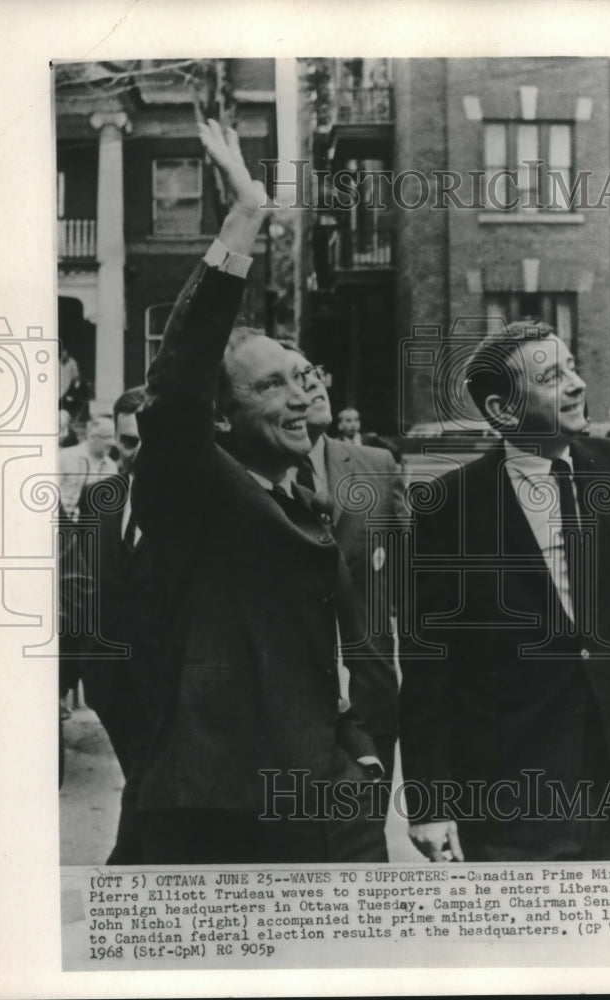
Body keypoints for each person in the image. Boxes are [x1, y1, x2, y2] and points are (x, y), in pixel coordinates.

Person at [131, 120, 384, 864]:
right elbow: (174, 386)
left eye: (302, 380)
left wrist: (359, 754)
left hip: (327, 809)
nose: (301, 398)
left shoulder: (302, 500)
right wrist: (244, 219)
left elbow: (316, 656)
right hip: (224, 813)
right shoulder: (195, 487)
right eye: (270, 386)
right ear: (222, 416)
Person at [399, 321, 610, 862]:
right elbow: (429, 662)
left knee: (609, 934)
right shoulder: (450, 505)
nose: (576, 384)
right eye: (550, 376)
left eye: (570, 366)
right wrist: (429, 799)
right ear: (500, 411)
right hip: (506, 785)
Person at [284, 348, 401, 780]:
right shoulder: (243, 479)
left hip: (371, 706)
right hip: (284, 714)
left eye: (312, 372)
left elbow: (412, 588)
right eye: (292, 377)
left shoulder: (378, 467)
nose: (312, 383)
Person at [75, 387, 162, 862]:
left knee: (148, 793)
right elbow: (80, 581)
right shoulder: (99, 498)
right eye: (128, 442)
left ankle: (123, 878)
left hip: (172, 688)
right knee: (142, 784)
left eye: (148, 440)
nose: (138, 453)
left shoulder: (197, 508)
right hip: (112, 685)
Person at [58, 416, 117, 518]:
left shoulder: (111, 467)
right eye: (107, 437)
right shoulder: (65, 457)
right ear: (92, 437)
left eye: (113, 437)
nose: (112, 443)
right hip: (63, 523)